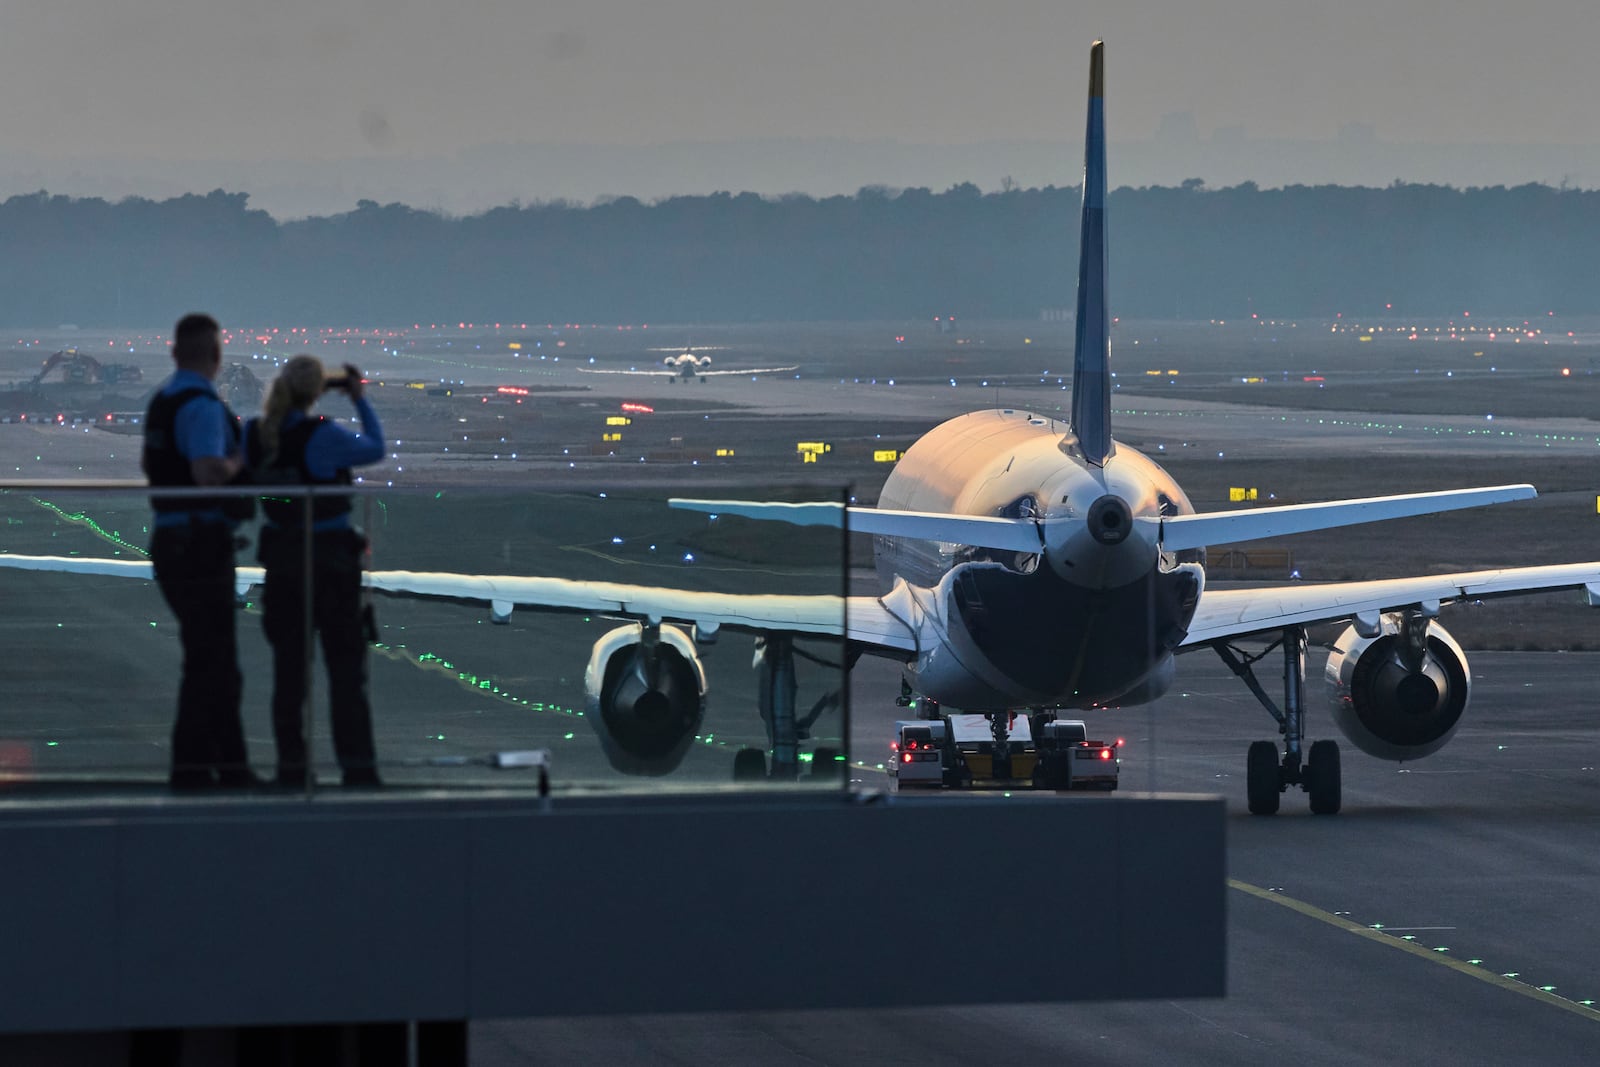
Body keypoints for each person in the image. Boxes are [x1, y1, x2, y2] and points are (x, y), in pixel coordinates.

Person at [245, 355, 386, 787]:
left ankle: (292, 768)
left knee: (290, 676)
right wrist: (360, 400)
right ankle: (358, 770)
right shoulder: (321, 435)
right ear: (316, 391)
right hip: (330, 561)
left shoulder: (255, 435)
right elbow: (376, 448)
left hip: (283, 562)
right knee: (345, 673)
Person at [141, 312, 258, 789]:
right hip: (200, 544)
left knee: (204, 660)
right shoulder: (202, 406)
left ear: (174, 353)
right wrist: (242, 458)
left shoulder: (162, 401)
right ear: (216, 357)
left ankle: (203, 769)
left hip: (171, 539)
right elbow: (208, 472)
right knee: (216, 665)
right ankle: (214, 772)